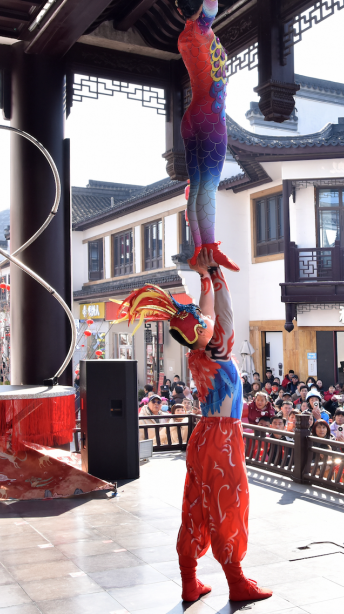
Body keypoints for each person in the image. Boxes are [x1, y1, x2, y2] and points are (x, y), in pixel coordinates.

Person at [114, 249, 269, 603]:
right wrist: (214, 272)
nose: (207, 316)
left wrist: (205, 275)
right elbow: (223, 311)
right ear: (202, 330)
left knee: (196, 506)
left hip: (202, 437)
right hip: (223, 439)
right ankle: (237, 581)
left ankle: (189, 580)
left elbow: (210, 311)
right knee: (229, 505)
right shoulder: (217, 351)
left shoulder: (197, 352)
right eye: (202, 319)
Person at [171, 0, 238, 271]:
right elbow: (208, 15)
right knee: (206, 188)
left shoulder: (185, 37)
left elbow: (203, 18)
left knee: (197, 187)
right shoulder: (199, 31)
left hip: (193, 115)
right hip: (210, 118)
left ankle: (201, 249)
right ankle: (208, 249)